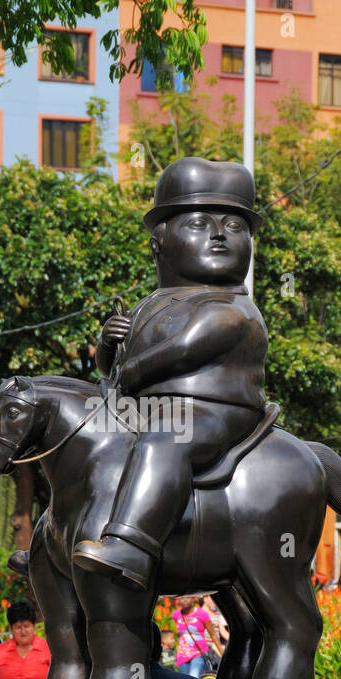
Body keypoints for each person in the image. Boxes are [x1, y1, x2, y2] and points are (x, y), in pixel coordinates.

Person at [73, 157, 266, 590]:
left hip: (214, 414)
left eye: (234, 226)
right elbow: (116, 367)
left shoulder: (232, 305)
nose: (219, 234)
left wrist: (128, 374)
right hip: (147, 410)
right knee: (83, 444)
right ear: (158, 244)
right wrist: (109, 346)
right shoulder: (149, 304)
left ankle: (131, 546)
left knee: (166, 437)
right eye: (200, 223)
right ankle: (60, 536)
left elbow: (185, 349)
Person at [173, 595, 221, 679]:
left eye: (187, 597)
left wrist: (221, 652)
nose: (184, 600)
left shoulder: (202, 614)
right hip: (182, 655)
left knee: (193, 678)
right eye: (182, 598)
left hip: (198, 653)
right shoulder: (176, 615)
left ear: (193, 598)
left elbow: (213, 634)